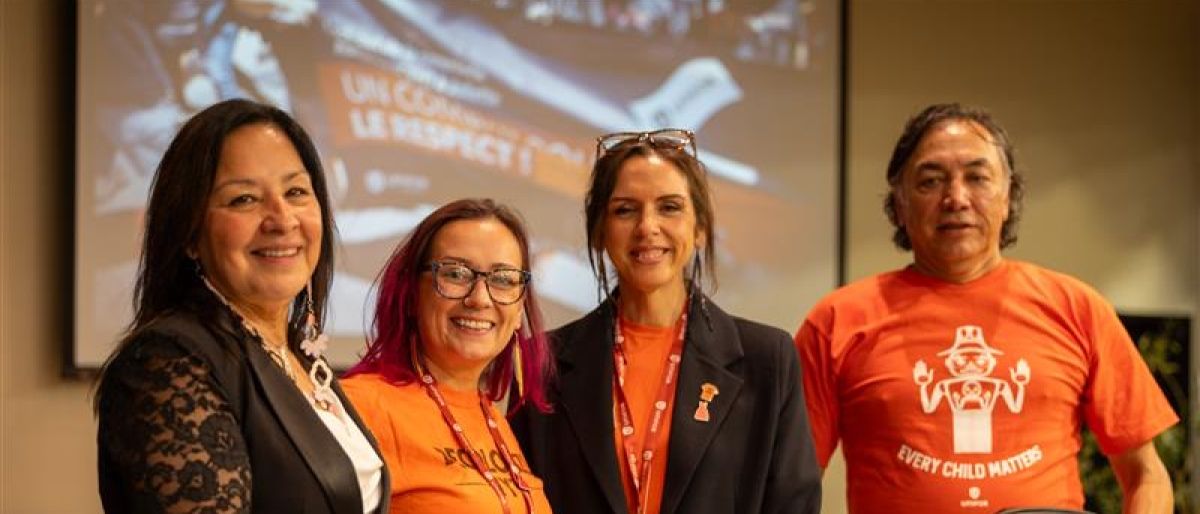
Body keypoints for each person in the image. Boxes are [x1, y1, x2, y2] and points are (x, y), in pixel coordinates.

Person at [795, 103, 1178, 513]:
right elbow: (789, 485)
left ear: (1008, 197)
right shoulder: (837, 321)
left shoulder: (1078, 309)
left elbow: (1146, 475)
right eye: (930, 181)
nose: (956, 198)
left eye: (977, 178)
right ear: (901, 205)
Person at [94, 99, 388, 513]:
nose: (282, 219)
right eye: (244, 200)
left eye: (296, 192)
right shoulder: (167, 364)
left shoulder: (297, 359)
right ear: (190, 234)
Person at [514, 129, 822, 514]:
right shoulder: (545, 363)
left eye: (669, 207)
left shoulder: (767, 359)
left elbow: (793, 506)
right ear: (598, 232)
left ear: (700, 229)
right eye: (625, 209)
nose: (648, 227)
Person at [341, 198, 555, 514]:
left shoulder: (495, 420)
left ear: (520, 308)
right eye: (455, 274)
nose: (480, 298)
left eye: (503, 279)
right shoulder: (359, 406)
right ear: (411, 294)